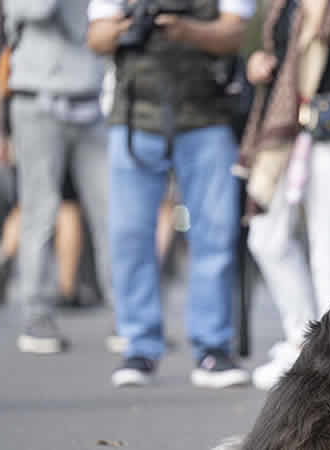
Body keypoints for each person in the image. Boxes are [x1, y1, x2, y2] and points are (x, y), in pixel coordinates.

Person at [88, 0, 255, 388]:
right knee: (130, 235)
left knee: (214, 233)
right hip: (134, 118)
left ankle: (213, 347)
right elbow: (96, 37)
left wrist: (186, 30)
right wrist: (129, 27)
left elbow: (232, 34)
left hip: (208, 117)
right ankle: (139, 345)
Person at [237, 0, 330, 391]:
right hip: (282, 128)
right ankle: (301, 336)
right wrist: (261, 63)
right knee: (265, 235)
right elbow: (282, 52)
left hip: (329, 125)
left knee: (328, 240)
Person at [3, 0, 113, 354]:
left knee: (111, 214)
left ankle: (129, 315)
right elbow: (35, 10)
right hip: (38, 100)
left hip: (92, 100)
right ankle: (37, 314)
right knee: (41, 212)